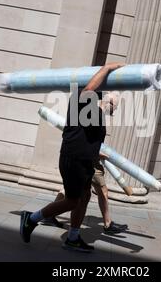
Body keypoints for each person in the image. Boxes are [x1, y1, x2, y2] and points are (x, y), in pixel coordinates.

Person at [19, 62, 124, 253]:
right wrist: (107, 69)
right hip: (73, 159)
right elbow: (90, 89)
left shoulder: (97, 115)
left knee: (84, 197)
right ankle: (31, 218)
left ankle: (73, 238)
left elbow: (86, 138)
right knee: (72, 201)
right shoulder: (83, 100)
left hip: (83, 161)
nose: (114, 111)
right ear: (105, 98)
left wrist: (95, 153)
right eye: (113, 105)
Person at [42, 158, 129, 235]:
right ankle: (107, 224)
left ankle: (47, 216)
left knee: (69, 190)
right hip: (90, 161)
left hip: (80, 159)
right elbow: (89, 144)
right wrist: (105, 154)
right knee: (101, 191)